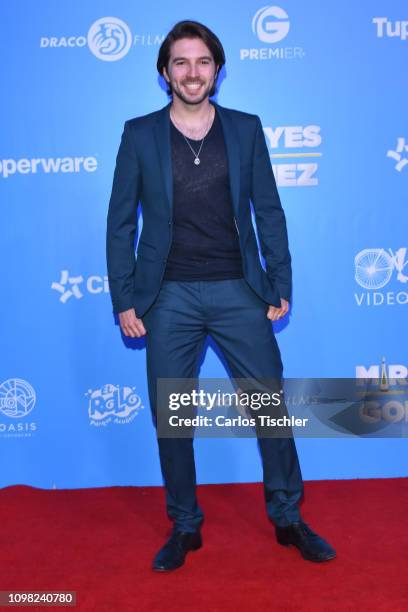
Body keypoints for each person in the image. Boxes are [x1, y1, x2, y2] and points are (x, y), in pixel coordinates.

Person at [106, 20, 336, 571]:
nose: (192, 72)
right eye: (181, 62)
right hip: (168, 299)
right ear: (165, 72)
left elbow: (269, 210)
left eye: (203, 61)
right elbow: (120, 224)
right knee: (173, 416)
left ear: (218, 68)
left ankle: (287, 517)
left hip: (239, 289)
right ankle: (185, 526)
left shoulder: (245, 129)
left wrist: (279, 281)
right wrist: (125, 298)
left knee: (269, 409)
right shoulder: (139, 135)